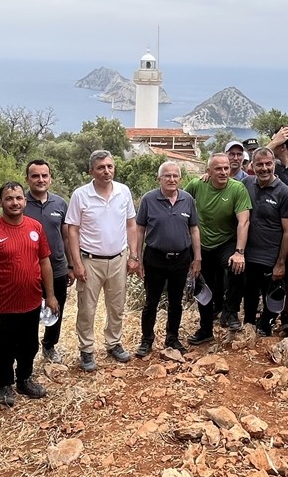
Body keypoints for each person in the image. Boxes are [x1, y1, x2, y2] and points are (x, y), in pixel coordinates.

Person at [0, 182, 57, 400]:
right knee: (3, 348)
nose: (15, 202)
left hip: (31, 301)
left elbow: (44, 262)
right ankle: (4, 384)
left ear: (25, 200)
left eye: (19, 198)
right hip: (3, 305)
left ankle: (24, 379)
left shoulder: (35, 227)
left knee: (29, 345)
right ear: (0, 202)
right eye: (9, 198)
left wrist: (50, 295)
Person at [65, 150, 136, 372]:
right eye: (101, 167)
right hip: (90, 260)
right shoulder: (80, 195)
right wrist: (76, 263)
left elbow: (131, 224)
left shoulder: (123, 191)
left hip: (118, 259)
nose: (106, 171)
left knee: (116, 306)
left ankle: (113, 343)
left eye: (109, 166)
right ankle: (86, 350)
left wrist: (134, 255)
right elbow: (72, 230)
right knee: (87, 309)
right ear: (91, 171)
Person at [131, 161, 201, 356]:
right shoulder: (148, 199)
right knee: (151, 302)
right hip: (155, 258)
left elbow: (194, 229)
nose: (171, 179)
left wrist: (198, 258)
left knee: (176, 302)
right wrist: (136, 257)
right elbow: (140, 229)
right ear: (159, 178)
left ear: (180, 178)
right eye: (167, 176)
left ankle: (172, 338)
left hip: (181, 259)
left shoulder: (187, 199)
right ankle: (146, 341)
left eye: (175, 176)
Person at [184, 152, 252, 344]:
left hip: (226, 242)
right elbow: (181, 202)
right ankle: (205, 329)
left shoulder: (237, 188)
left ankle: (231, 312)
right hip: (201, 245)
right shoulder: (198, 185)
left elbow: (244, 221)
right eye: (218, 169)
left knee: (237, 267)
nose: (223, 172)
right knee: (202, 285)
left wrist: (239, 252)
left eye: (226, 168)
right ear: (208, 172)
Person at [240, 148, 288, 337]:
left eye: (268, 164)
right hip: (249, 254)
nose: (264, 168)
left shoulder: (285, 193)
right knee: (249, 294)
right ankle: (248, 326)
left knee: (271, 297)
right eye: (259, 164)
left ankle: (266, 327)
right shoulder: (246, 183)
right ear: (253, 166)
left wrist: (281, 262)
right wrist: (206, 176)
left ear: (274, 164)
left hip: (271, 257)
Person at [24, 160, 72, 365]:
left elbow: (67, 236)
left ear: (50, 179)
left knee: (56, 309)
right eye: (35, 176)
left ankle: (49, 345)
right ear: (27, 179)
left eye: (44, 175)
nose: (40, 180)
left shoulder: (60, 203)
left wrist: (71, 265)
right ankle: (28, 348)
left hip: (58, 268)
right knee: (28, 313)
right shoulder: (20, 203)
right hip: (29, 271)